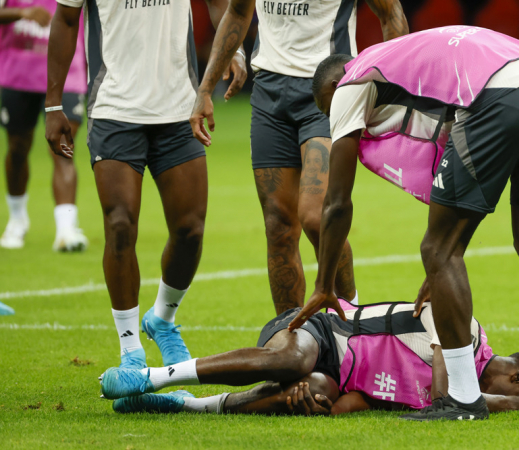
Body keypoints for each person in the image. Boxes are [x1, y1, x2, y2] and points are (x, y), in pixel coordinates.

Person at [287, 26, 519, 421]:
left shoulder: (349, 82)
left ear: (333, 86)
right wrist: (444, 262)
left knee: (436, 248)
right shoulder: (400, 69)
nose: (343, 128)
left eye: (332, 115)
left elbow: (337, 202)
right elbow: (454, 173)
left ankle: (462, 398)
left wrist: (325, 285)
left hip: (498, 94)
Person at [44, 0, 247, 369]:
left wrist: (235, 50)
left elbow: (222, 4)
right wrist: (53, 104)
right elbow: (65, 18)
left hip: (179, 107)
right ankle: (130, 351)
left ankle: (163, 320)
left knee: (190, 230)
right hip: (114, 108)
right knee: (119, 224)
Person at [188, 0, 409, 315]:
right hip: (269, 92)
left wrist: (393, 87)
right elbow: (237, 11)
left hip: (329, 88)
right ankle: (289, 341)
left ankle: (353, 324)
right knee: (278, 226)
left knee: (318, 216)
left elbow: (391, 12)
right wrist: (205, 89)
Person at [99, 298, 519, 416]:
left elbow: (354, 403)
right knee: (295, 365)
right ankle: (152, 377)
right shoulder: (463, 328)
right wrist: (505, 405)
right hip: (320, 330)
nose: (499, 392)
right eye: (509, 388)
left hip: (334, 373)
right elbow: (453, 397)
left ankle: (184, 404)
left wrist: (314, 405)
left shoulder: (431, 398)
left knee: (315, 390)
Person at [0, 0, 88, 251]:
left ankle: (66, 229)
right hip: (17, 74)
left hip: (67, 75)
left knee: (63, 150)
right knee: (17, 149)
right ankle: (17, 219)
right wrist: (22, 12)